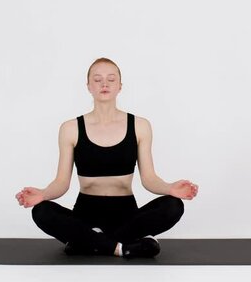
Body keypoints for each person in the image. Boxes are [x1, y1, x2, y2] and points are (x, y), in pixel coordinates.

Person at [15, 57, 198, 258]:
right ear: (88, 86)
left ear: (120, 86)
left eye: (111, 79)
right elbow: (61, 183)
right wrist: (42, 194)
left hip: (127, 215)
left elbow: (149, 179)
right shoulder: (70, 128)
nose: (104, 84)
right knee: (41, 211)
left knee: (173, 206)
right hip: (85, 214)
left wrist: (170, 188)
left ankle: (87, 242)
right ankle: (121, 247)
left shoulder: (140, 126)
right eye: (97, 79)